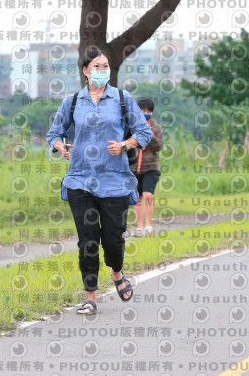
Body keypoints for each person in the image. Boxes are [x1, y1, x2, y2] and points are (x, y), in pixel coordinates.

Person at [46, 48, 152, 315]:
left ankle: (116, 271)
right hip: (80, 180)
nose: (102, 70)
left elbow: (143, 132)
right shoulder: (72, 102)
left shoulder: (122, 99)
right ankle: (90, 297)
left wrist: (125, 144)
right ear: (85, 70)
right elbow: (54, 133)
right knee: (88, 241)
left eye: (106, 66)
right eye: (97, 66)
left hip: (115, 181)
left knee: (113, 240)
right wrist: (60, 146)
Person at [129, 98, 163, 236]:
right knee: (137, 198)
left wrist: (152, 136)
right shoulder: (132, 126)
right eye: (143, 110)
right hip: (134, 167)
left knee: (148, 195)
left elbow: (159, 147)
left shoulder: (156, 128)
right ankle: (139, 227)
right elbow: (128, 144)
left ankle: (148, 226)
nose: (145, 113)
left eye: (148, 111)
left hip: (151, 167)